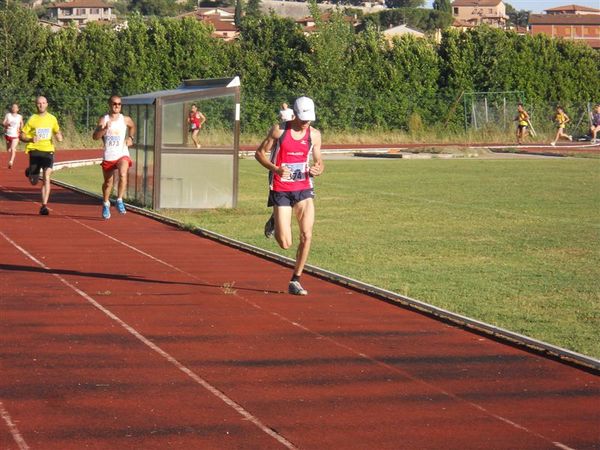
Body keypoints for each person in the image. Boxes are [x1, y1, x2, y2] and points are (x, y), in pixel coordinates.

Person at [255, 96, 324, 296]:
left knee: (307, 235)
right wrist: (275, 168)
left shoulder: (315, 135)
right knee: (285, 243)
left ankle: (296, 280)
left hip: (303, 187)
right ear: (294, 114)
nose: (305, 123)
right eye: (303, 119)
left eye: (309, 120)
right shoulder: (279, 131)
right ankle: (275, 220)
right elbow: (259, 153)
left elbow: (319, 160)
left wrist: (318, 168)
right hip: (281, 188)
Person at [92, 95, 136, 220]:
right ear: (109, 105)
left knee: (123, 174)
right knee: (108, 183)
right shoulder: (104, 119)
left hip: (122, 153)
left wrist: (130, 138)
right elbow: (95, 137)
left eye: (119, 104)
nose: (117, 106)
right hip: (109, 155)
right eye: (114, 104)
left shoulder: (125, 119)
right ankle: (106, 203)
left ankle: (119, 199)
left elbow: (133, 127)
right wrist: (104, 130)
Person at [20, 96, 63, 216]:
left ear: (47, 104)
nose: (41, 105)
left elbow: (57, 131)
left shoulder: (52, 118)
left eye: (43, 103)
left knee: (46, 176)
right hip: (35, 151)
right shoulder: (32, 119)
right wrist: (30, 138)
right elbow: (22, 136)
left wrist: (59, 135)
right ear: (36, 105)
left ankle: (44, 206)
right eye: (39, 103)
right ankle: (30, 171)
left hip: (48, 151)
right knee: (33, 181)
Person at [3, 103, 23, 169]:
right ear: (11, 108)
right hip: (8, 134)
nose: (14, 108)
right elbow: (3, 123)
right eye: (13, 107)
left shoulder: (20, 116)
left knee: (13, 149)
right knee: (8, 150)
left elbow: (22, 123)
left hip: (15, 135)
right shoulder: (8, 115)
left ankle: (11, 161)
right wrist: (6, 124)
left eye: (15, 107)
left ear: (18, 109)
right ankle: (11, 157)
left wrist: (21, 130)